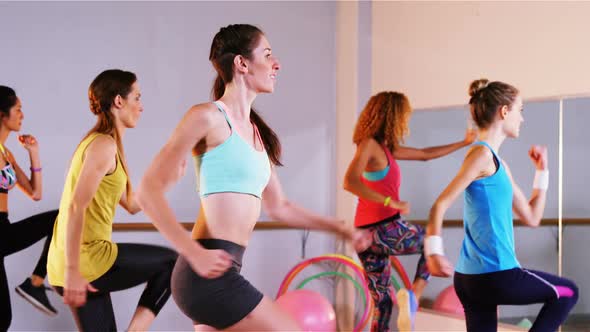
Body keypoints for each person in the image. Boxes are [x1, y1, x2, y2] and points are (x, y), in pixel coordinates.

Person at [136, 24, 362, 331]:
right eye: (267, 55)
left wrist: (337, 227)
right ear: (242, 64)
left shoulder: (258, 135)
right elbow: (148, 191)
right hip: (204, 273)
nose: (276, 64)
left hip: (223, 270)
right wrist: (194, 254)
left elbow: (279, 207)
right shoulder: (207, 117)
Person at [426, 79, 578, 332]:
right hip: (496, 275)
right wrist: (434, 252)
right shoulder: (481, 155)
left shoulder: (497, 163)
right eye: (520, 110)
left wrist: (542, 171)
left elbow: (531, 217)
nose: (522, 118)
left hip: (472, 281)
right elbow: (440, 204)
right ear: (504, 111)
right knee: (568, 292)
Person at [46, 69, 177, 332]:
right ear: (119, 101)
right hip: (85, 261)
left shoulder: (106, 145)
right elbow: (75, 206)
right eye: (137, 98)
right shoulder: (103, 146)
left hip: (71, 264)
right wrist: (74, 270)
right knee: (172, 264)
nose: (141, 106)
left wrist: (168, 177)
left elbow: (131, 204)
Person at [344, 91, 476, 331]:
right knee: (429, 241)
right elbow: (350, 181)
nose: (406, 121)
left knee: (383, 305)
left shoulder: (385, 149)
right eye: (404, 116)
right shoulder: (369, 145)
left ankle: (407, 304)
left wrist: (463, 143)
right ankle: (413, 297)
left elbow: (425, 155)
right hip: (382, 229)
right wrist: (389, 201)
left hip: (365, 236)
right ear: (392, 116)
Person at [0, 85, 59, 330]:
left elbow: (35, 193)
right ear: (2, 114)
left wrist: (33, 153)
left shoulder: (6, 153)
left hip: (3, 229)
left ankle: (35, 282)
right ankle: (34, 284)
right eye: (18, 109)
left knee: (2, 319)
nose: (22, 114)